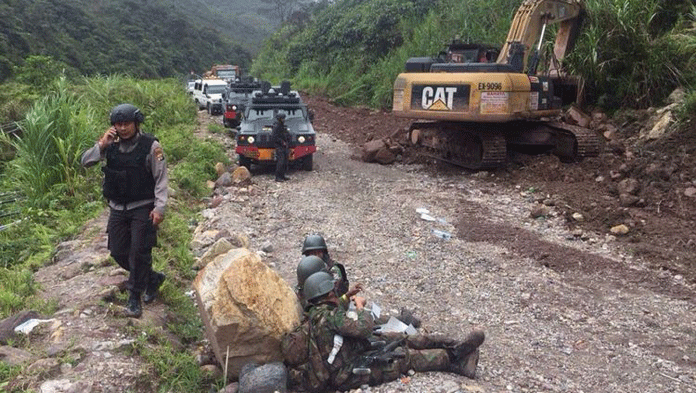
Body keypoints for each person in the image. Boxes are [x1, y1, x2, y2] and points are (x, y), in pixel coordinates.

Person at [288, 272, 485, 392]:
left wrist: (347, 297)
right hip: (346, 373)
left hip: (352, 355)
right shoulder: (328, 317)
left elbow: (335, 310)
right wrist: (360, 307)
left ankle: (455, 346)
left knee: (399, 339)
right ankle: (455, 358)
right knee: (402, 358)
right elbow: (363, 327)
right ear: (328, 294)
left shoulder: (316, 314)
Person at [81, 103, 167, 318]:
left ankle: (134, 298)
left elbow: (161, 178)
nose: (123, 128)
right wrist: (101, 144)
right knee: (118, 252)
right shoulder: (111, 145)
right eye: (118, 124)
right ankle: (152, 279)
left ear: (136, 123)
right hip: (118, 207)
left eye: (126, 123)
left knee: (139, 252)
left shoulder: (151, 145)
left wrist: (160, 207)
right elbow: (85, 162)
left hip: (143, 206)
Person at [272, 111, 291, 182]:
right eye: (282, 118)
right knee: (281, 161)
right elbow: (274, 137)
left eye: (284, 118)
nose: (284, 119)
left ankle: (283, 175)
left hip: (284, 146)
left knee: (285, 161)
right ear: (279, 119)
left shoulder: (282, 126)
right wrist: (282, 142)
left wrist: (287, 139)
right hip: (279, 146)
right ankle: (278, 177)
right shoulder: (277, 126)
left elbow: (285, 134)